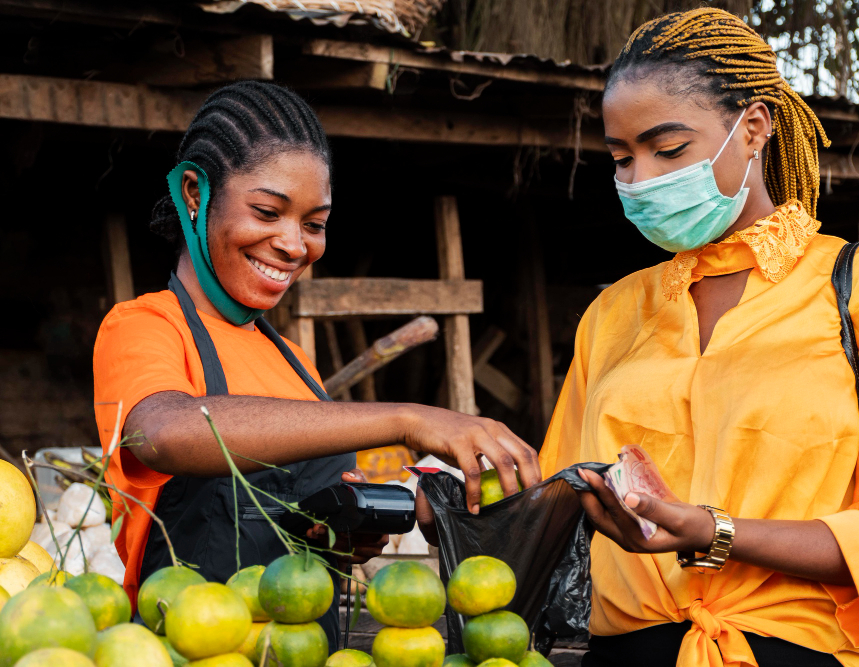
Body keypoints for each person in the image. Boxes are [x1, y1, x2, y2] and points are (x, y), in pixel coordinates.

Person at [539, 9, 859, 667]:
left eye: (669, 149)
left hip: (806, 653)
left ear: (755, 127)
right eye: (622, 158)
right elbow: (558, 497)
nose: (642, 179)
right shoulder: (613, 313)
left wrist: (713, 531)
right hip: (625, 653)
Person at [93, 81, 539, 645]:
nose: (292, 244)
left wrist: (335, 535)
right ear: (192, 193)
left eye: (314, 223)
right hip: (192, 653)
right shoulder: (146, 325)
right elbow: (164, 433)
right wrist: (409, 419)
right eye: (266, 211)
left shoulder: (294, 362)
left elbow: (287, 539)